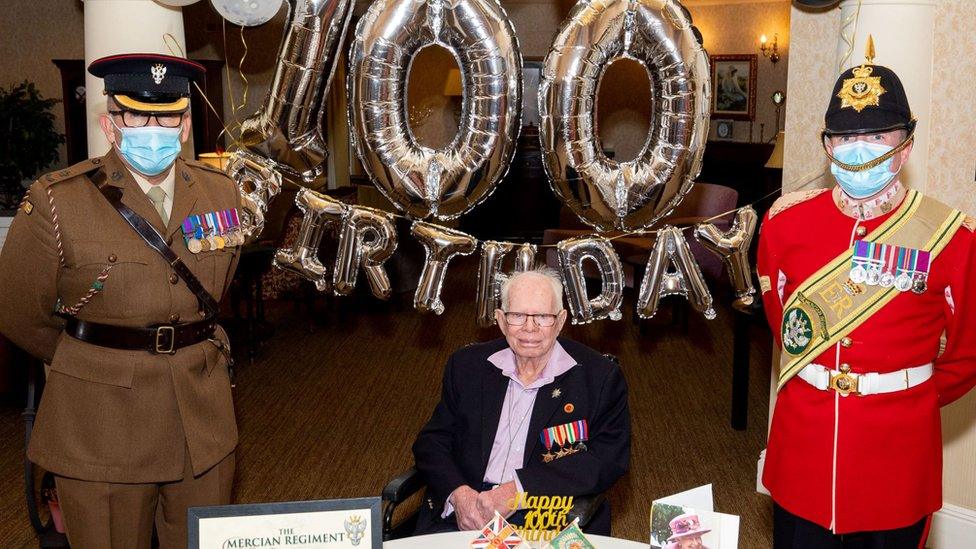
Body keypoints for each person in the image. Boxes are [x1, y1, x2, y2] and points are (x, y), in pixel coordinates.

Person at [0, 53, 242, 548]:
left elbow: (218, 291)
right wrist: (90, 360)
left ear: (185, 124)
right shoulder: (57, 201)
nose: (153, 127)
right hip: (101, 421)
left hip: (202, 419)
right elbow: (18, 312)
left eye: (168, 114)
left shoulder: (223, 195)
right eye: (136, 114)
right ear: (111, 123)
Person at [757, 39, 976, 548]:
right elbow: (786, 328)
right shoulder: (785, 224)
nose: (861, 148)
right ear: (828, 144)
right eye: (846, 136)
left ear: (907, 144)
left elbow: (966, 356)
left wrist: (903, 395)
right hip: (802, 453)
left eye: (879, 133)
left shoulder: (953, 238)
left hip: (896, 460)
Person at [412, 268, 630, 535]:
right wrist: (459, 496)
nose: (530, 328)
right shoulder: (467, 365)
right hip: (468, 511)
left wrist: (518, 489)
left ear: (561, 320)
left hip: (548, 517)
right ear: (501, 320)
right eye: (517, 316)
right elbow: (432, 441)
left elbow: (607, 459)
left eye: (542, 316)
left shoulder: (599, 378)